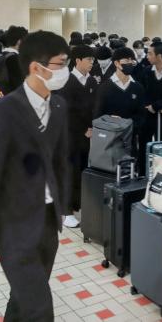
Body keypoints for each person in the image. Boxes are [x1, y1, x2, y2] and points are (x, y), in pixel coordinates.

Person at [0, 31, 71, 322]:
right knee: (39, 308)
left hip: (47, 220)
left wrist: (63, 206)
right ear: (36, 67)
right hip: (12, 225)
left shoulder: (59, 106)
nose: (65, 71)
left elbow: (60, 160)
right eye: (60, 64)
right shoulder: (4, 111)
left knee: (23, 298)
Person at [59, 44, 97, 228]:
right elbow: (66, 112)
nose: (92, 63)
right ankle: (66, 212)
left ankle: (77, 204)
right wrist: (83, 129)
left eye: (93, 60)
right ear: (78, 60)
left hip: (88, 135)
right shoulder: (67, 81)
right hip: (70, 136)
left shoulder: (91, 81)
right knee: (69, 172)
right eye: (89, 59)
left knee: (82, 170)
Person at [93, 47, 146, 168]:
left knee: (129, 170)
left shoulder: (138, 88)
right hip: (108, 140)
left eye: (132, 60)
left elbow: (141, 115)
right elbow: (97, 115)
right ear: (116, 63)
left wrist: (127, 124)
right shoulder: (105, 88)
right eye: (126, 60)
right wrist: (113, 123)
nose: (130, 63)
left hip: (129, 139)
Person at [0, 26, 28, 95]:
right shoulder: (14, 58)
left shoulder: (2, 55)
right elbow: (19, 84)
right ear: (19, 41)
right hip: (13, 98)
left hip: (2, 96)